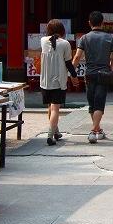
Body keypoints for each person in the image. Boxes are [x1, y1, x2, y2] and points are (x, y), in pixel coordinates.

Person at [73, 11, 113, 144]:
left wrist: (72, 73)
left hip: (89, 73)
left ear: (89, 23)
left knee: (92, 104)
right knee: (99, 103)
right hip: (104, 73)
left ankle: (96, 130)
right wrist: (111, 65)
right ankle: (94, 130)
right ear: (102, 23)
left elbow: (77, 57)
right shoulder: (109, 38)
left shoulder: (84, 38)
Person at [40, 19, 78, 147]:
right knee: (55, 108)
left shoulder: (43, 41)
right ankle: (50, 135)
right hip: (59, 81)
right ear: (62, 30)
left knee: (50, 107)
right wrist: (74, 76)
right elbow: (68, 63)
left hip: (45, 81)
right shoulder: (65, 44)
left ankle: (56, 132)